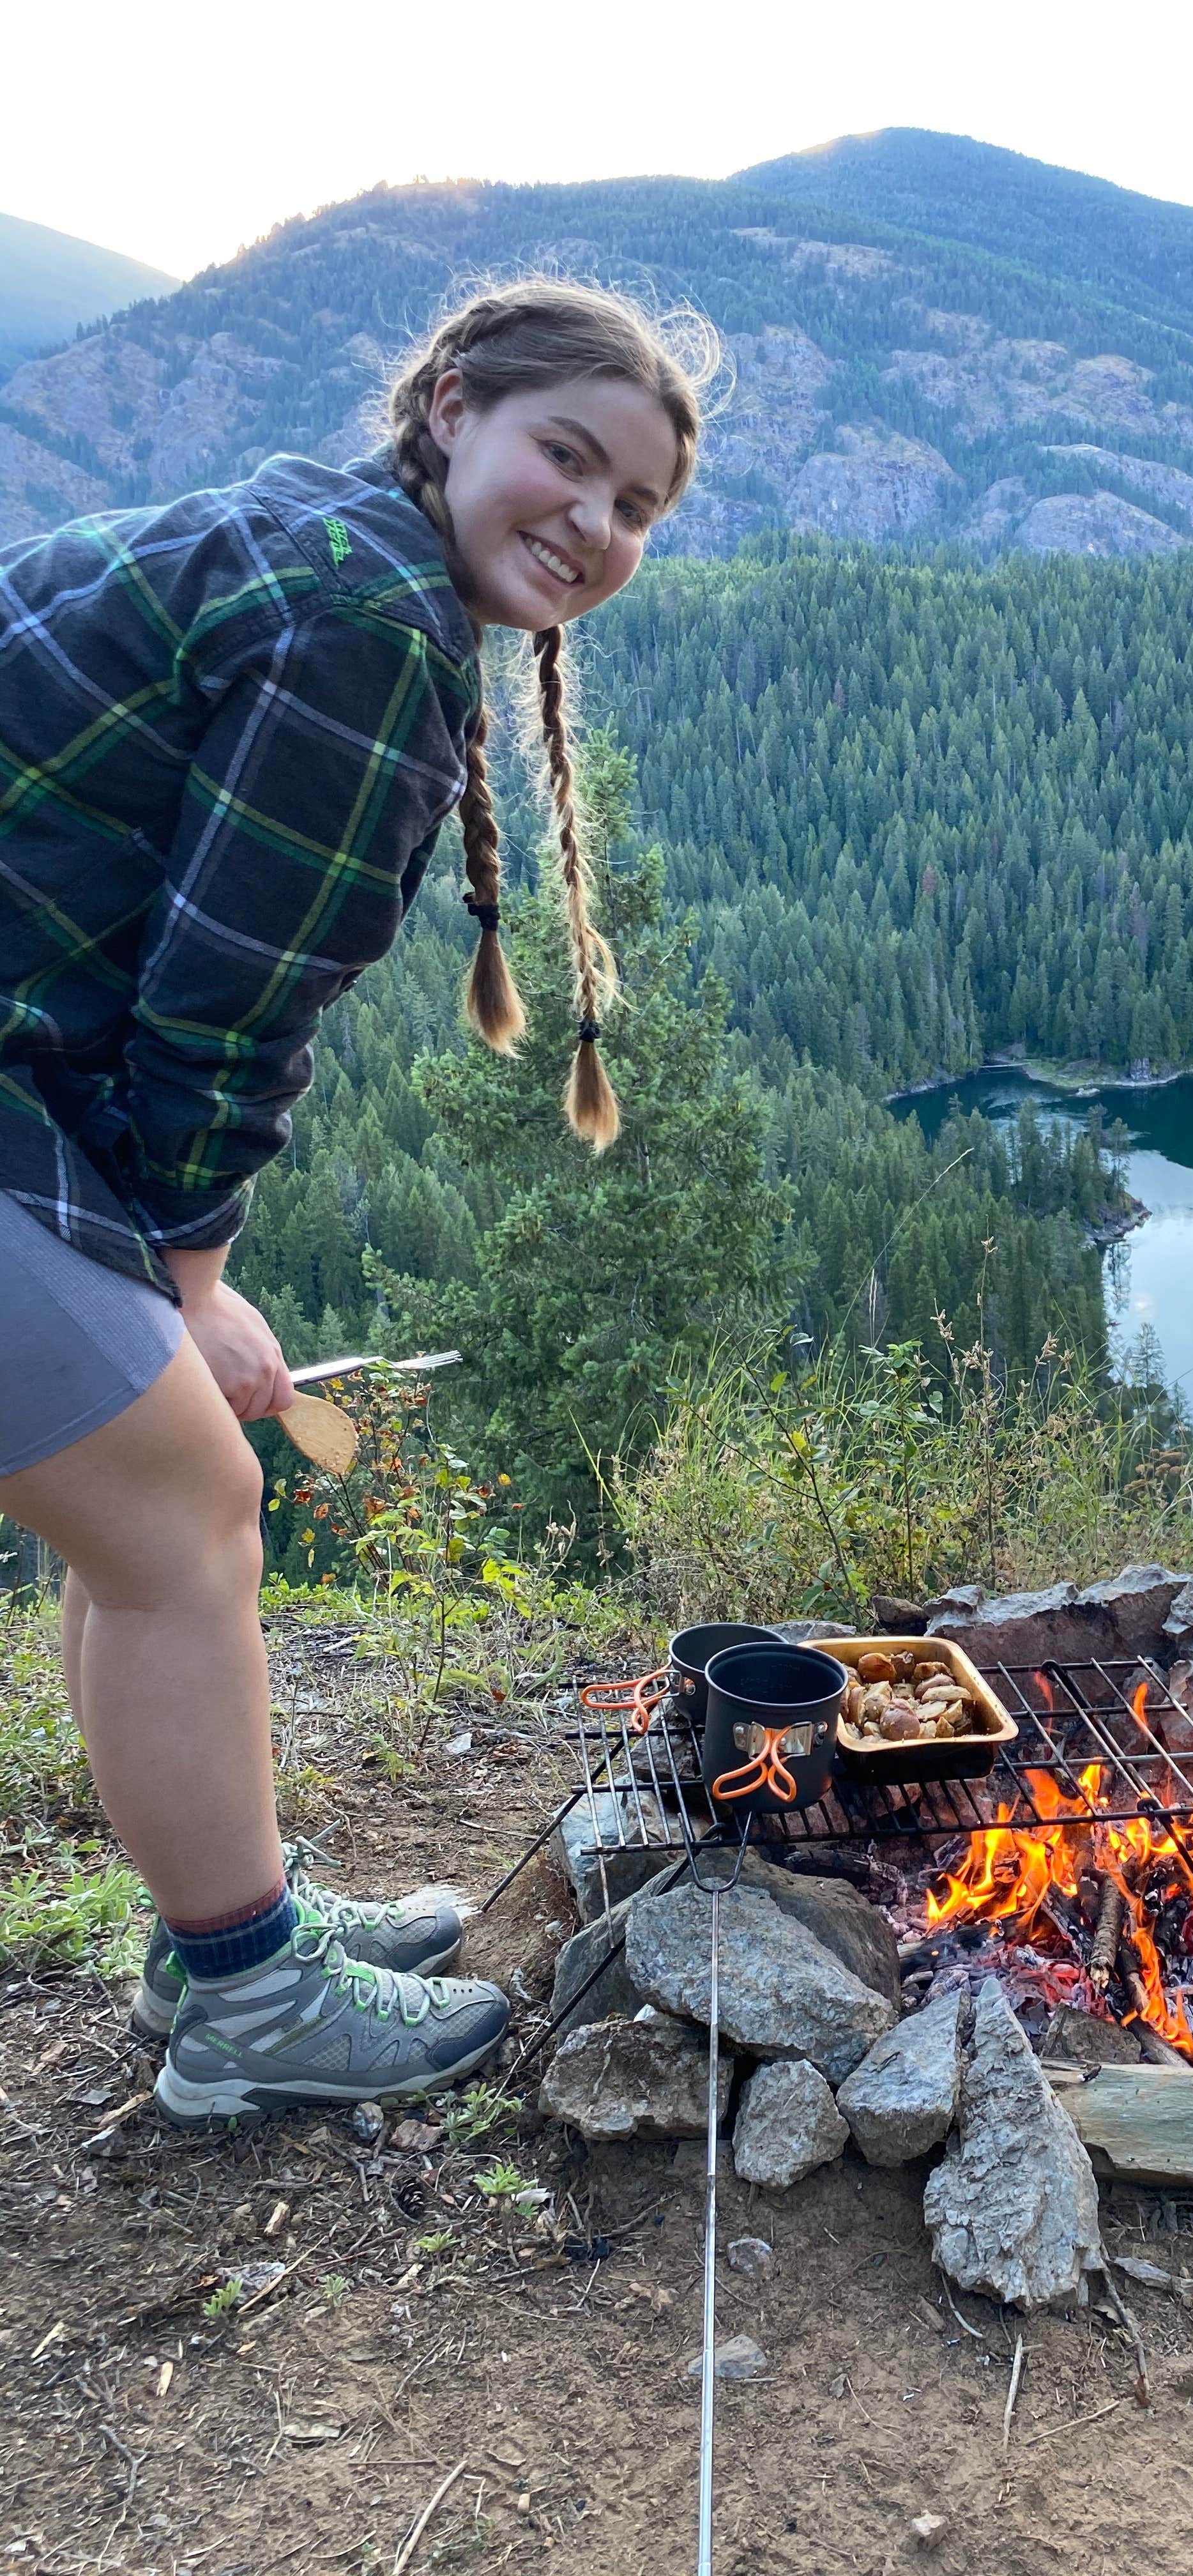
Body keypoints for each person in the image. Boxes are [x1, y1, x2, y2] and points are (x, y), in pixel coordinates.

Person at [0, 279, 712, 2123]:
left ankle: (211, 1933)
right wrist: (189, 1278)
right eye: (569, 457)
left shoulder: (330, 539)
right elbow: (226, 999)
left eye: (636, 506)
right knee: (182, 1507)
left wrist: (160, 1280)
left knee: (147, 1506)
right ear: (453, 406)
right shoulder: (368, 623)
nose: (595, 522)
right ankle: (249, 1998)